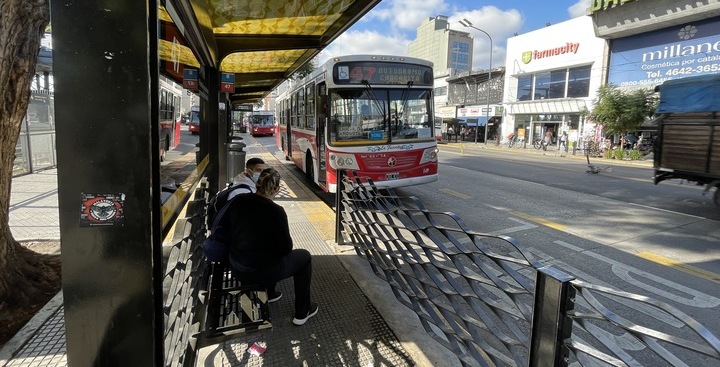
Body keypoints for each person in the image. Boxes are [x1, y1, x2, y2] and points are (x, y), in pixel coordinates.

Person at [223, 167, 318, 326]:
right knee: (304, 257)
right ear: (276, 190)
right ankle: (303, 311)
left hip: (237, 265)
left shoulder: (238, 201)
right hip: (261, 270)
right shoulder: (276, 211)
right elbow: (286, 248)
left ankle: (271, 293)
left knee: (266, 253)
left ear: (257, 184)